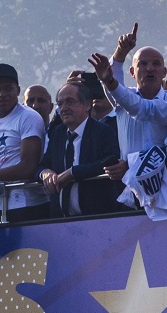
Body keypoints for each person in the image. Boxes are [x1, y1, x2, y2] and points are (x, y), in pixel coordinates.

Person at [100, 25, 167, 168]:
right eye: (143, 64)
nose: (150, 68)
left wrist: (131, 165)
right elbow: (112, 81)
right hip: (130, 185)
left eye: (155, 64)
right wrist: (121, 51)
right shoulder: (122, 99)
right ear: (132, 72)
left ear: (164, 72)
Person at [40, 81, 122, 217]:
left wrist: (73, 173)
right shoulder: (58, 133)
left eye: (70, 102)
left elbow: (109, 161)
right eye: (60, 104)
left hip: (96, 217)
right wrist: (45, 173)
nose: (64, 108)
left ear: (87, 105)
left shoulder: (102, 131)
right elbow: (43, 164)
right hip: (59, 221)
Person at [0, 63, 49, 222]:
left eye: (8, 88)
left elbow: (27, 168)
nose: (2, 94)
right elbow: (1, 164)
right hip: (3, 204)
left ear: (18, 90)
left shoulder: (28, 116)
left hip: (29, 205)